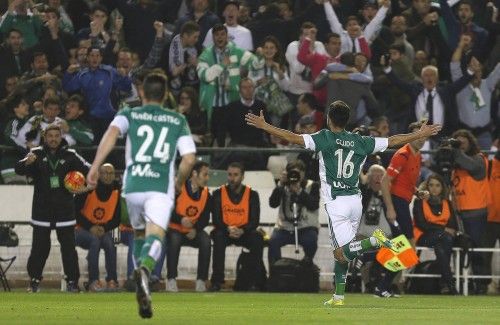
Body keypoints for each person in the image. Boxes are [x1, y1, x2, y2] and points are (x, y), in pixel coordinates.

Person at [245, 100, 441, 306]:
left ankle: (374, 241)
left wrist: (265, 126)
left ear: (329, 119)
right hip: (355, 201)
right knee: (344, 253)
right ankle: (338, 296)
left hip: (337, 202)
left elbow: (292, 137)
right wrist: (419, 134)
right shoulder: (360, 141)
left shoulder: (324, 138)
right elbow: (393, 141)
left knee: (340, 252)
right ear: (347, 121)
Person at [86, 72, 196, 318]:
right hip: (159, 187)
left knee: (137, 233)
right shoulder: (177, 120)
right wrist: (178, 182)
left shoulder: (129, 113)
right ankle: (146, 269)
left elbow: (111, 134)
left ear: (143, 93)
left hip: (133, 186)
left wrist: (94, 167)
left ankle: (141, 283)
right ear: (166, 94)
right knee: (156, 234)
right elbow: (189, 159)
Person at [14, 123, 91, 293]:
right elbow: (17, 168)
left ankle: (72, 282)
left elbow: (90, 170)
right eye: (50, 136)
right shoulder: (35, 153)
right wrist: (27, 162)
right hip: (41, 210)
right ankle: (34, 281)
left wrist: (84, 187)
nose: (54, 139)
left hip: (65, 210)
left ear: (61, 137)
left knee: (69, 249)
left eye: (57, 136)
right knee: (39, 248)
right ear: (45, 137)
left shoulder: (71, 155)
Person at [374, 121, 430, 297]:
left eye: (424, 136)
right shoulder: (403, 154)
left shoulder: (417, 155)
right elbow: (384, 181)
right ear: (410, 135)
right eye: (418, 135)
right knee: (407, 248)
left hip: (403, 203)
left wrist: (417, 192)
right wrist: (390, 208)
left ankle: (382, 285)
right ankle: (380, 283)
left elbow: (405, 182)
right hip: (396, 203)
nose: (421, 139)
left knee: (405, 249)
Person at [210, 162, 264, 291]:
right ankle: (217, 281)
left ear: (242, 176)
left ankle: (252, 281)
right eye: (229, 175)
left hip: (244, 232)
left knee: (257, 238)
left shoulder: (252, 194)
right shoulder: (218, 193)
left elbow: (254, 220)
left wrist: (242, 230)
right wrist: (228, 229)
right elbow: (216, 219)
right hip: (225, 231)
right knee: (218, 237)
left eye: (235, 175)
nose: (232, 178)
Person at [451, 129, 490, 294]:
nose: (460, 146)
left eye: (463, 142)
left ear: (471, 143)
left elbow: (470, 165)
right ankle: (463, 284)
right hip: (458, 213)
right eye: (457, 142)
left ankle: (481, 284)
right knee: (460, 250)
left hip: (476, 213)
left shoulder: (479, 160)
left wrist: (454, 149)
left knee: (476, 249)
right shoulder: (455, 165)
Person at [166, 160, 212, 293]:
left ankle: (201, 281)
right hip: (175, 229)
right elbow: (167, 209)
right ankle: (171, 279)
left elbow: (205, 217)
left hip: (193, 230)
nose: (207, 178)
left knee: (206, 240)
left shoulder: (206, 194)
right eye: (205, 175)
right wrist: (180, 219)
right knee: (174, 240)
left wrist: (196, 229)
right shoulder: (178, 188)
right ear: (194, 174)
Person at [75, 163, 120, 292]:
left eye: (111, 173)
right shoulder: (88, 188)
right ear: (99, 174)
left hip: (101, 230)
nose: (108, 176)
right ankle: (93, 281)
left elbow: (116, 219)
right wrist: (91, 227)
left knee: (109, 242)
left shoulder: (117, 191)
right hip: (80, 230)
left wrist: (104, 228)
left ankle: (112, 280)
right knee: (94, 241)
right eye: (104, 172)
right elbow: (75, 212)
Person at [413, 174, 459, 295]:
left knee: (441, 245)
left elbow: (454, 225)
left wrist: (443, 230)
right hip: (424, 236)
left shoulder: (447, 203)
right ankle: (448, 283)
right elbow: (421, 224)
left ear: (442, 188)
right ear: (426, 186)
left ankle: (447, 283)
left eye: (437, 185)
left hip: (442, 239)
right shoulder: (419, 201)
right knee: (446, 238)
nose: (434, 188)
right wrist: (443, 228)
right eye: (431, 185)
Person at [268, 159, 320, 266]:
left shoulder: (312, 185)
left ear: (303, 173)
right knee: (273, 242)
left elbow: (314, 205)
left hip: (306, 228)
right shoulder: (283, 186)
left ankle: (306, 265)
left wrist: (299, 191)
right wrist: (280, 185)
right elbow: (273, 204)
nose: (295, 177)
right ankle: (276, 270)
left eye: (298, 174)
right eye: (292, 173)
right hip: (284, 228)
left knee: (311, 241)